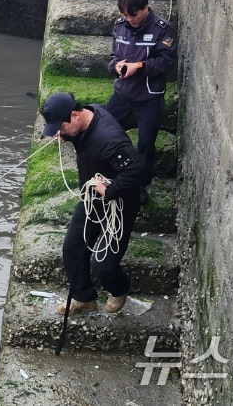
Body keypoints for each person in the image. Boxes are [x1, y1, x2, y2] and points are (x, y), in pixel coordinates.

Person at [41, 92, 145, 315]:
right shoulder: (88, 115)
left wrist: (109, 191)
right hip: (91, 199)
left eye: (61, 128)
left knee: (103, 264)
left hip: (119, 204)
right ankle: (83, 297)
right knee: (72, 248)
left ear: (75, 115)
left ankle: (120, 289)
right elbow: (78, 135)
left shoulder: (109, 139)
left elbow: (137, 170)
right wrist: (67, 136)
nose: (59, 133)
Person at [106, 0, 177, 205]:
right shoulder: (120, 26)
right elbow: (112, 56)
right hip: (123, 94)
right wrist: (116, 66)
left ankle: (140, 186)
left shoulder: (163, 29)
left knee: (146, 144)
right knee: (106, 132)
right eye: (124, 15)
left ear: (145, 8)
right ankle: (110, 175)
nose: (129, 19)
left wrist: (140, 66)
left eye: (133, 15)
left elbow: (166, 62)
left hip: (149, 98)